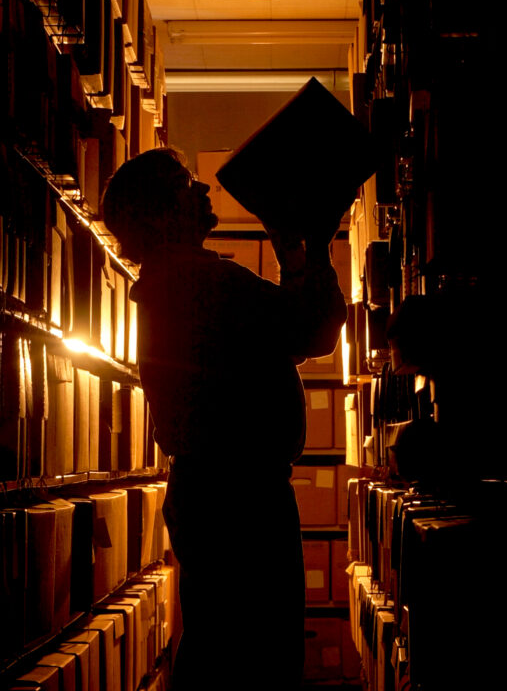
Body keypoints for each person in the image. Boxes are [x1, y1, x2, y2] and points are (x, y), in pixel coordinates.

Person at [101, 146, 347, 690]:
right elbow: (313, 329)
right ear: (162, 213)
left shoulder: (178, 285)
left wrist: (292, 255)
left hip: (215, 491)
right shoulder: (202, 285)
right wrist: (315, 240)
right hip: (242, 498)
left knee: (223, 646)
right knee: (257, 654)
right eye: (188, 185)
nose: (204, 190)